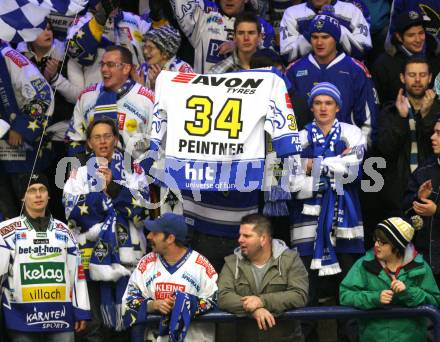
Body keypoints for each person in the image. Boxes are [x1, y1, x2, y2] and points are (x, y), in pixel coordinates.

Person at [288, 82, 365, 341]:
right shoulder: (298, 137)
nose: (323, 107)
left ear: (338, 107)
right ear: (311, 107)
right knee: (306, 296)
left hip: (346, 224)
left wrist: (311, 165)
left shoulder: (352, 133)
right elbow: (290, 182)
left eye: (328, 103)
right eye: (318, 102)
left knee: (348, 293)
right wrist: (334, 167)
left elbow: (353, 171)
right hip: (306, 226)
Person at [63, 117, 150, 339]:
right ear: (89, 143)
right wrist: (111, 201)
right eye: (97, 137)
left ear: (116, 139)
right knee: (94, 329)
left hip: (128, 259)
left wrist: (111, 186)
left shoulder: (134, 170)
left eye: (107, 136)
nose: (103, 142)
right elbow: (71, 211)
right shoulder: (78, 173)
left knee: (127, 327)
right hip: (91, 256)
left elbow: (143, 210)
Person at [0, 173, 91, 341]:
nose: (38, 194)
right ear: (23, 197)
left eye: (42, 189)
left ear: (48, 195)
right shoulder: (6, 231)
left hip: (60, 316)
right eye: (32, 190)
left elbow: (76, 274)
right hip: (21, 318)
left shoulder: (64, 230)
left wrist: (81, 311)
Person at [340, 217, 440, 342]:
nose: (376, 245)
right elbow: (345, 295)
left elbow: (435, 299)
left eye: (383, 242)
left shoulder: (421, 266)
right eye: (375, 239)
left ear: (397, 246)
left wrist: (408, 293)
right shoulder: (363, 264)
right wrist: (375, 298)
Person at [285, 14, 378, 145]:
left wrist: (359, 149)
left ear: (336, 38)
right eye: (314, 37)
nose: (319, 42)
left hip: (345, 148)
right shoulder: (293, 70)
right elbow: (286, 117)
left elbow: (369, 119)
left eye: (325, 37)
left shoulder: (356, 70)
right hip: (305, 150)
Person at [122, 213, 218, 341]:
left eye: (155, 233)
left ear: (170, 239)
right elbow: (128, 300)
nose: (149, 236)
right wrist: (152, 305)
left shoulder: (201, 265)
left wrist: (184, 303)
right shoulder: (146, 263)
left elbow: (215, 300)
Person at [218, 213, 308, 341]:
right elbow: (223, 296)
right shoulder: (232, 262)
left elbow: (300, 295)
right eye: (240, 235)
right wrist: (254, 310)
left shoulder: (290, 260)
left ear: (263, 239)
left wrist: (262, 301)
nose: (240, 240)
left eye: (247, 236)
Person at [376, 57, 439, 218]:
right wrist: (400, 118)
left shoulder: (437, 110)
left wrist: (426, 117)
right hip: (396, 194)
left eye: (422, 75)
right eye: (412, 74)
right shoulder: (390, 111)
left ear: (430, 78)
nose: (417, 80)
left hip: (432, 190)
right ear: (402, 77)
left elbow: (434, 150)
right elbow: (385, 150)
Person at [65, 45, 154, 159]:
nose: (104, 69)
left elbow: (156, 147)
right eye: (102, 64)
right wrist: (76, 170)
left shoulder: (147, 100)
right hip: (92, 170)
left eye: (110, 65)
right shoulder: (86, 96)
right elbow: (75, 139)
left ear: (126, 68)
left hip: (134, 172)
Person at [0, 41, 54, 220]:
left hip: (17, 152)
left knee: (31, 216)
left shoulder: (9, 55)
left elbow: (43, 93)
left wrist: (21, 127)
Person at [169, 0, 275, 73]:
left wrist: (241, 46)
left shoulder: (263, 27)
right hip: (206, 93)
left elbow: (272, 62)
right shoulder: (202, 18)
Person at [66, 0, 151, 88]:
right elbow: (74, 50)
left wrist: (158, 19)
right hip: (100, 95)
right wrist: (101, 18)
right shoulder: (83, 20)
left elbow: (157, 47)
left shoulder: (133, 19)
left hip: (137, 92)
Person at [372, 10, 440, 105]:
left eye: (421, 33)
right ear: (399, 37)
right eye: (411, 35)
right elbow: (380, 105)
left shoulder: (436, 56)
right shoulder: (383, 65)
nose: (418, 39)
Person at [403, 118, 440, 283]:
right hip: (426, 263)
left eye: (439, 134)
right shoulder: (424, 170)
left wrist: (437, 211)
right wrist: (418, 198)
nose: (432, 137)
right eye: (434, 132)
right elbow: (404, 209)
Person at [280, 0, 372, 62]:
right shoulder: (291, 13)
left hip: (346, 73)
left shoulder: (352, 10)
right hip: (305, 74)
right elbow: (287, 55)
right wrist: (312, 32)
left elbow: (363, 50)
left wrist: (335, 29)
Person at [133, 24, 193, 90]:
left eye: (150, 48)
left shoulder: (182, 69)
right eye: (145, 47)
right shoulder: (144, 69)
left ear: (165, 53)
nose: (145, 52)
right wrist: (139, 89)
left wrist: (159, 86)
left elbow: (187, 96)